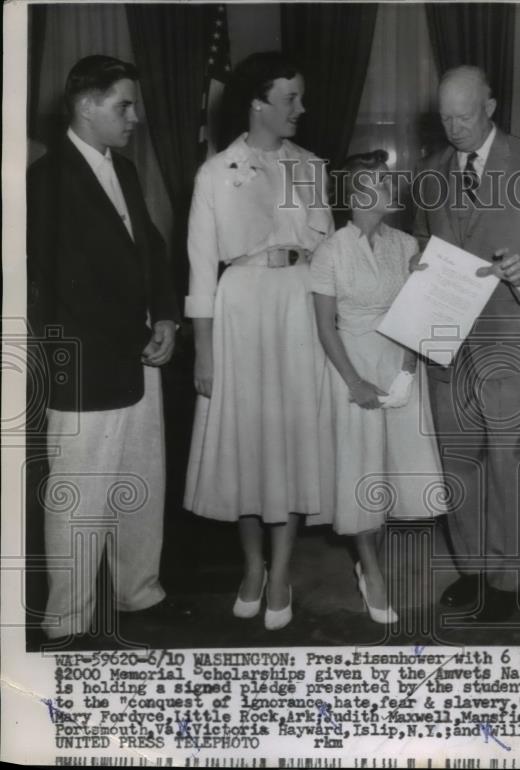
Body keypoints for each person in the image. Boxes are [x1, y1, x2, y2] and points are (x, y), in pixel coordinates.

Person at [27, 55, 181, 641]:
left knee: (140, 483)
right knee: (79, 500)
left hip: (139, 357)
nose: (135, 117)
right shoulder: (43, 183)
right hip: (87, 368)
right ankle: (67, 620)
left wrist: (166, 316)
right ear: (86, 106)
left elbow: (152, 249)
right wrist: (134, 335)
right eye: (124, 105)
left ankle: (138, 592)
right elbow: (50, 297)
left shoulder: (126, 171)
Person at [183, 52, 333, 631]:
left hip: (298, 308)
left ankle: (281, 572)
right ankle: (251, 566)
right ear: (258, 103)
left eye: (299, 98)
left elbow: (327, 255)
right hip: (240, 308)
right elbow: (200, 271)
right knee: (247, 444)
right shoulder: (215, 173)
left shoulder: (312, 167)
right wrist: (204, 351)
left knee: (289, 443)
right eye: (290, 98)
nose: (301, 108)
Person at [413, 65, 520, 623]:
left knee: (508, 458)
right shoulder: (430, 171)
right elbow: (426, 240)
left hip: (508, 333)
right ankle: (472, 570)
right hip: (445, 337)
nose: (454, 128)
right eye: (445, 117)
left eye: (465, 116)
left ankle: (507, 577)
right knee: (459, 458)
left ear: (490, 106)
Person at [311, 150, 445, 624]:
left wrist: (409, 370)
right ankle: (370, 568)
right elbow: (326, 328)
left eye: (388, 181)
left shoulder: (407, 244)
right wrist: (355, 382)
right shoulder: (330, 251)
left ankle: (372, 560)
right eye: (377, 182)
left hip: (399, 364)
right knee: (361, 473)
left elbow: (419, 310)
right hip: (352, 367)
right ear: (354, 194)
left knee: (388, 473)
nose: (390, 189)